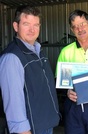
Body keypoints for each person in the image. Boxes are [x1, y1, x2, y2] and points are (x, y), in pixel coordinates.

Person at [0, 5, 60, 134]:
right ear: (16, 26)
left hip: (45, 123)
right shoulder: (12, 57)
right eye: (26, 24)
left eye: (36, 25)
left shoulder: (38, 51)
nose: (32, 30)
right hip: (31, 129)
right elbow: (13, 102)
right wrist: (23, 131)